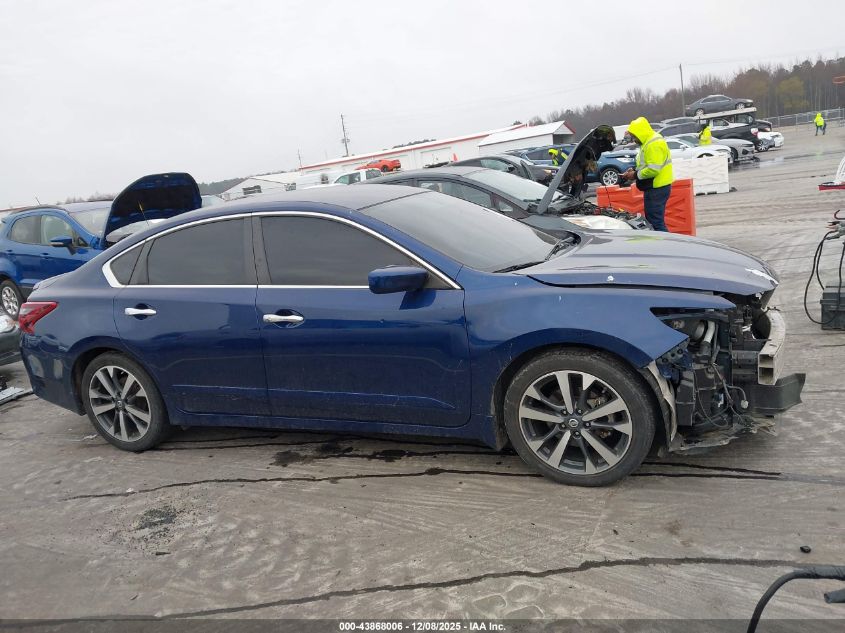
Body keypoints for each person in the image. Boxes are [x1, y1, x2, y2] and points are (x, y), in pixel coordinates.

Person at [622, 116, 673, 232]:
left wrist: (634, 175)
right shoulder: (648, 142)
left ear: (640, 133)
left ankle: (665, 247)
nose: (634, 139)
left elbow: (653, 169)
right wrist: (633, 170)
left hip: (657, 188)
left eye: (634, 136)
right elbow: (646, 164)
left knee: (656, 223)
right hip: (655, 187)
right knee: (654, 221)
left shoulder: (653, 143)